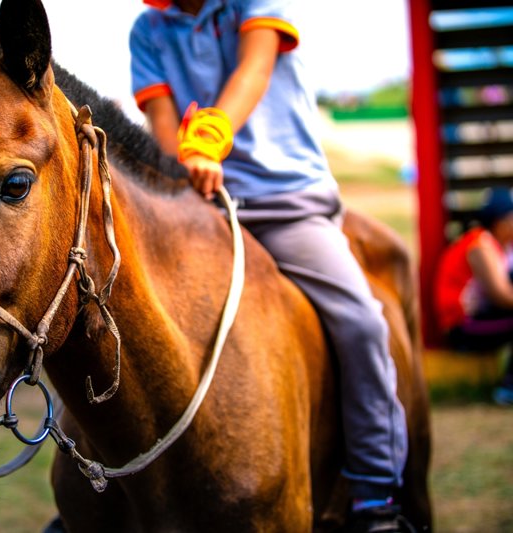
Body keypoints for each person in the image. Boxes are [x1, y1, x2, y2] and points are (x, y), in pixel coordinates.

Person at [129, 1, 410, 531]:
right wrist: (182, 171)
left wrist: (210, 137)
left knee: (362, 322)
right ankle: (90, 495)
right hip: (201, 209)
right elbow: (164, 129)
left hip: (285, 203)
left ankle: (378, 495)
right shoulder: (148, 30)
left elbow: (254, 69)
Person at [433, 187, 513, 405]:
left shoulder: (499, 246)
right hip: (462, 327)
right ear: (501, 221)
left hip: (479, 318)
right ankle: (508, 388)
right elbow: (503, 296)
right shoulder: (480, 245)